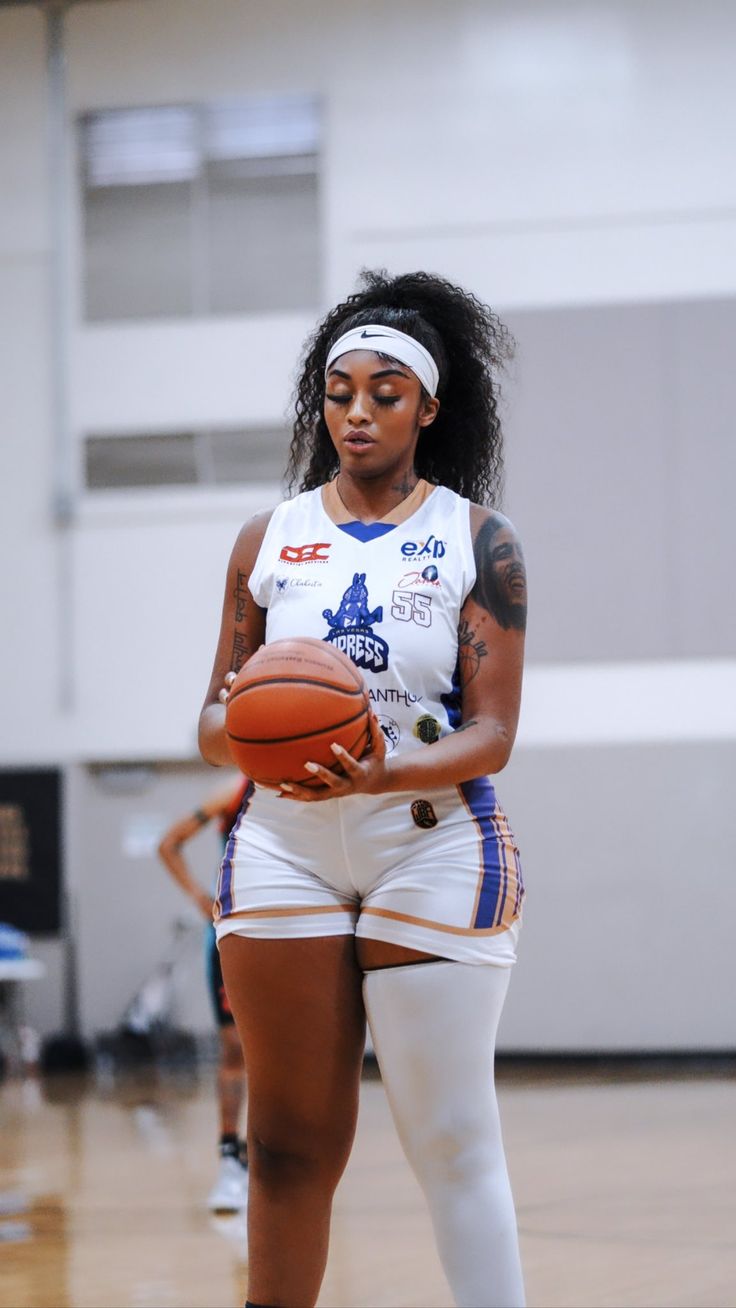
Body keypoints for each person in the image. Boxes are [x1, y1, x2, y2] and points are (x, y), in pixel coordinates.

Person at [199, 270, 528, 1308]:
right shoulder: (268, 540)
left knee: (449, 1143)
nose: (357, 412)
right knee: (287, 1148)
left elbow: (492, 733)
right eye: (340, 392)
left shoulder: (479, 542)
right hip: (285, 839)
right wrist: (257, 740)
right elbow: (211, 720)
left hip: (428, 838)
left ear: (429, 407)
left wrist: (384, 768)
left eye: (385, 393)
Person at [157, 781, 250, 1212]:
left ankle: (275, 1159)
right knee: (234, 1047)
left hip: (292, 931)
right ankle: (231, 1158)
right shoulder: (231, 794)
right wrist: (199, 897)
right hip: (233, 931)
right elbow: (169, 843)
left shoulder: (305, 783)